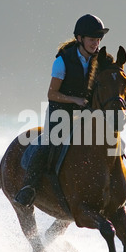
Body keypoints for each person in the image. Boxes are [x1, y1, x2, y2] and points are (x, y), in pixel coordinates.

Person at [15, 14, 109, 208]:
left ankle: (112, 187)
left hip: (86, 113)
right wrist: (74, 99)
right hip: (60, 112)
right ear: (80, 39)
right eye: (92, 39)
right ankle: (29, 188)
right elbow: (52, 94)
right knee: (49, 142)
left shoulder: (100, 59)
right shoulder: (62, 62)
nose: (96, 43)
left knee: (110, 141)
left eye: (98, 39)